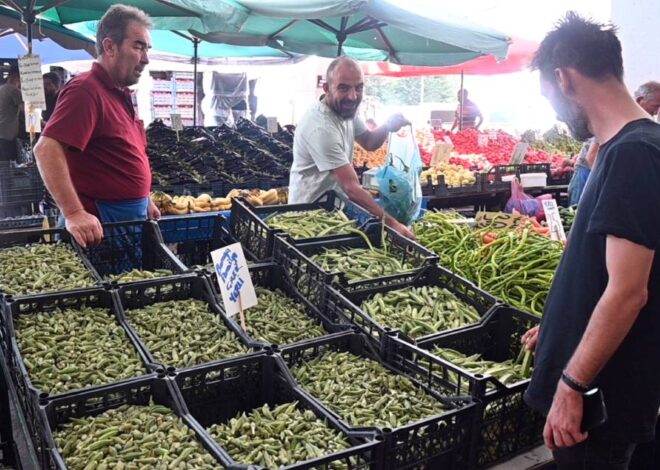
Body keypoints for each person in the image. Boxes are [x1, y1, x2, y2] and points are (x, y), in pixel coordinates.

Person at [521, 12, 660, 469]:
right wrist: (563, 326)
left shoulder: (633, 154)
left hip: (602, 403)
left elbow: (627, 292)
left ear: (563, 79)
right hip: (605, 386)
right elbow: (608, 270)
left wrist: (571, 386)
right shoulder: (626, 146)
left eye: (548, 97)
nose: (556, 115)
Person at [34, 4, 159, 248]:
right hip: (102, 225)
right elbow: (46, 149)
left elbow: (119, 152)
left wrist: (144, 199)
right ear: (110, 47)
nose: (145, 59)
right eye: (138, 47)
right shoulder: (86, 89)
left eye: (147, 49)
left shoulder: (119, 91)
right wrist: (73, 213)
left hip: (127, 218)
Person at [289, 56, 414, 239]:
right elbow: (351, 188)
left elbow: (370, 142)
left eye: (359, 87)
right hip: (309, 217)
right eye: (343, 87)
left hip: (334, 214)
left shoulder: (345, 111)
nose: (353, 96)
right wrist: (393, 224)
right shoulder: (321, 127)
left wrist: (387, 125)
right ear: (327, 89)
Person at [567, 137, 599, 206]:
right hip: (585, 171)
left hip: (588, 171)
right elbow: (591, 157)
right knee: (576, 207)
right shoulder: (602, 132)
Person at [0, 65, 21, 162]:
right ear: (16, 77)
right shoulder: (14, 90)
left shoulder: (2, 88)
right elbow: (26, 110)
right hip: (8, 134)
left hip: (2, 131)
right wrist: (44, 123)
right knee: (9, 164)